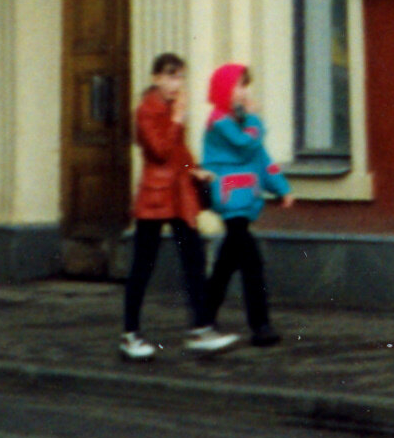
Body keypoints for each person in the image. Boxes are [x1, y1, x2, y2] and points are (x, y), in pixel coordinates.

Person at [121, 54, 235, 359]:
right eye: (171, 76)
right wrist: (177, 120)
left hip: (180, 193)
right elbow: (159, 151)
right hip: (155, 196)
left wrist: (194, 168)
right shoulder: (147, 110)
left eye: (181, 77)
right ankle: (130, 335)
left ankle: (200, 329)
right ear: (156, 77)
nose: (177, 83)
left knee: (194, 258)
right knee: (143, 265)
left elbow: (178, 150)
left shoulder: (172, 108)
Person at [196, 61, 290, 347]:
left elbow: (260, 158)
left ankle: (204, 317)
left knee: (226, 262)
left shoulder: (242, 122)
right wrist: (255, 119)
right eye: (239, 85)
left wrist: (281, 188)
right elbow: (246, 145)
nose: (244, 92)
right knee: (252, 262)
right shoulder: (219, 120)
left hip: (244, 198)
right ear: (225, 89)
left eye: (245, 85)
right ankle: (260, 326)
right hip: (228, 198)